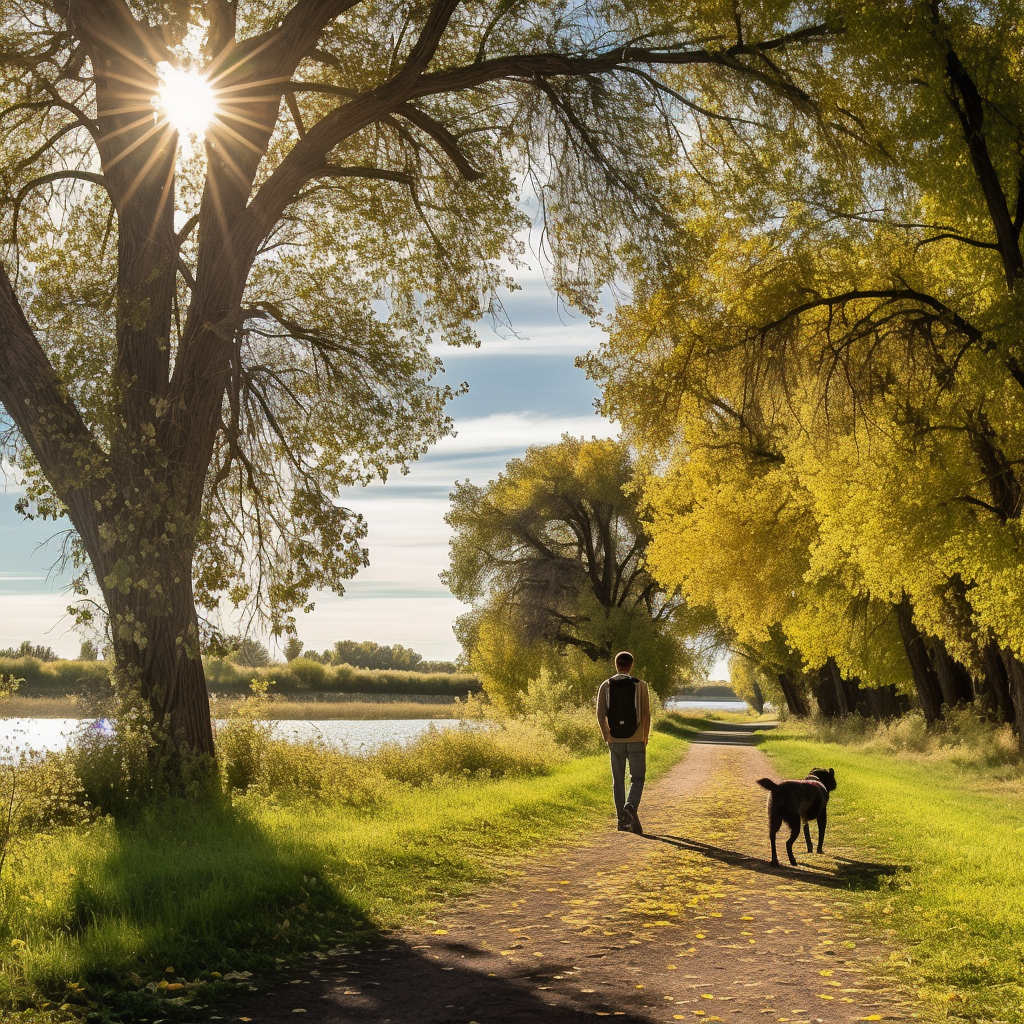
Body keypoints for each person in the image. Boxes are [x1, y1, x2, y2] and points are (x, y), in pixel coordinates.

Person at [596, 650, 651, 834]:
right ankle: (631, 805)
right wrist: (644, 736)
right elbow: (646, 714)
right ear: (631, 665)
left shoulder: (606, 685)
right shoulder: (640, 685)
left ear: (616, 665)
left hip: (615, 740)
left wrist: (607, 736)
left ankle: (622, 820)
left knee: (618, 780)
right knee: (637, 778)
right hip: (636, 738)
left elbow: (600, 714)